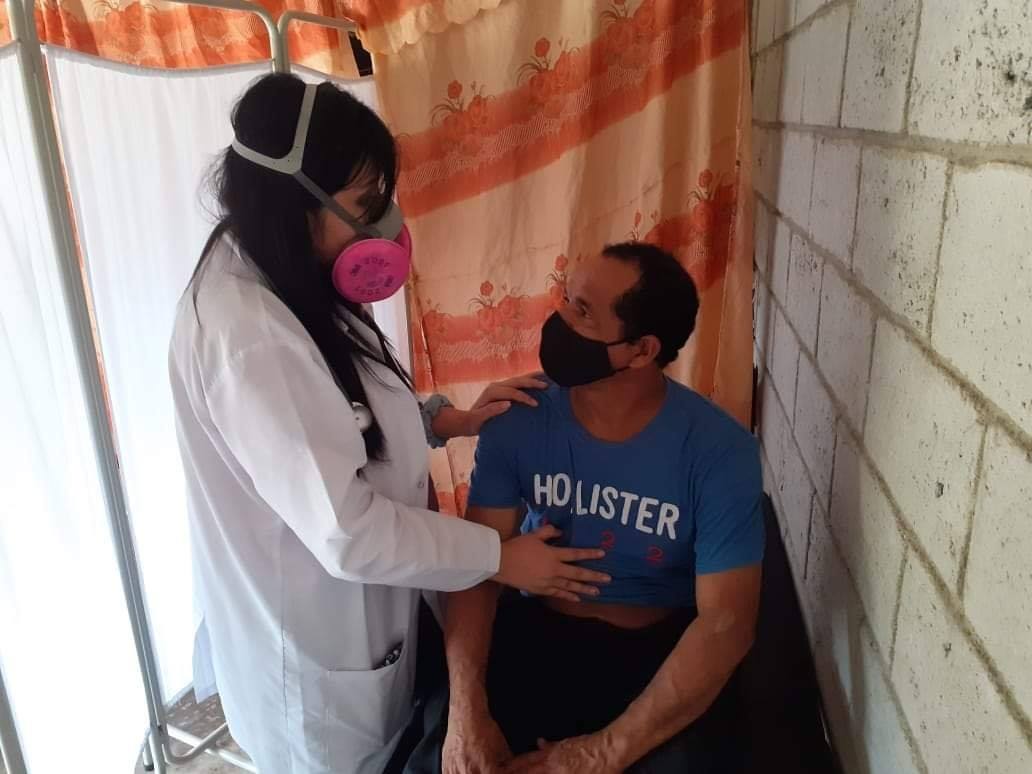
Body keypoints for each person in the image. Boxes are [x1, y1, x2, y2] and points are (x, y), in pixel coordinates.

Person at [168, 73, 608, 774]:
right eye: (364, 205)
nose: (385, 224)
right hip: (318, 664)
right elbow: (348, 530)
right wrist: (499, 556)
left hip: (375, 619)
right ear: (292, 204)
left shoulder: (290, 269)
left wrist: (446, 420)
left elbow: (346, 407)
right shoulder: (250, 336)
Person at [438, 243, 765, 773]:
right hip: (535, 637)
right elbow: (477, 569)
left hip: (657, 657)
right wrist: (465, 713)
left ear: (641, 350)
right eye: (567, 299)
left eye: (583, 312)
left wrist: (603, 753)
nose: (559, 318)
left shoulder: (720, 451)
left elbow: (726, 622)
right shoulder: (518, 418)